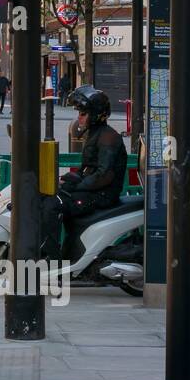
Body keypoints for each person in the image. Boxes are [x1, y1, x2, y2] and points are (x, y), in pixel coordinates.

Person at [41, 85, 128, 260]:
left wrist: (76, 185)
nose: (79, 118)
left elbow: (104, 175)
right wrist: (71, 179)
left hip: (102, 195)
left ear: (94, 115)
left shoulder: (108, 137)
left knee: (53, 205)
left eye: (83, 114)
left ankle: (51, 259)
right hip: (93, 190)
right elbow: (88, 168)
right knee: (48, 196)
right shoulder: (95, 133)